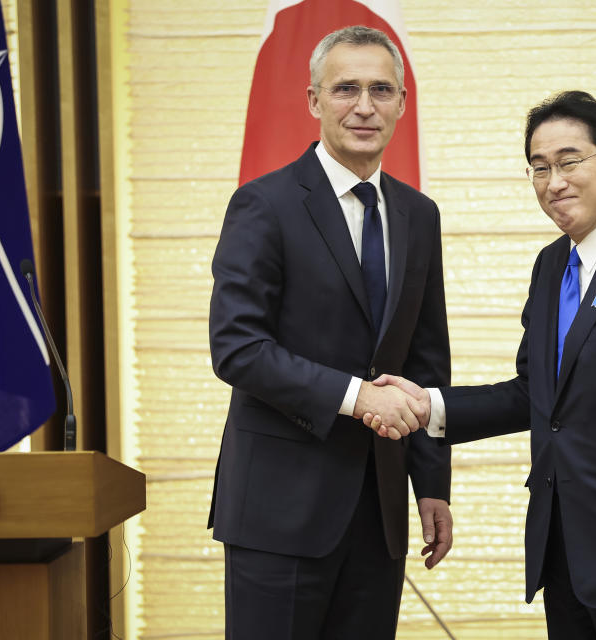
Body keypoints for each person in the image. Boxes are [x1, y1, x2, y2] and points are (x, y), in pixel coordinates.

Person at [367, 91, 596, 640]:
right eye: (539, 169)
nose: (554, 182)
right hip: (563, 544)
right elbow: (532, 394)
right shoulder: (550, 266)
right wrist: (430, 406)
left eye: (569, 162)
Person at [207, 25, 452, 640]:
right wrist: (357, 396)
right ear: (315, 101)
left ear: (402, 102)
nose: (364, 106)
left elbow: (425, 357)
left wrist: (432, 486)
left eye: (381, 90)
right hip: (278, 511)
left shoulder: (419, 216)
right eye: (346, 89)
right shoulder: (264, 204)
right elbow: (237, 347)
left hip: (380, 512)